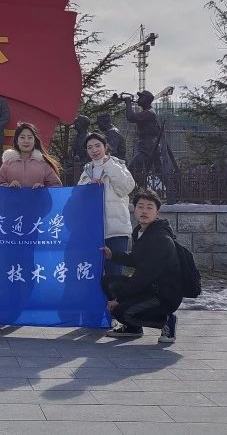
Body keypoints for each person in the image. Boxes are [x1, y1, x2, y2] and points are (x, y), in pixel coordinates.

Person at [100, 189, 182, 343]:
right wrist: (112, 256)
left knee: (120, 310)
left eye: (149, 207)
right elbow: (136, 260)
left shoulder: (160, 238)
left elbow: (145, 275)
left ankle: (166, 320)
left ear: (157, 213)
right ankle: (133, 328)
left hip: (163, 294)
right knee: (108, 282)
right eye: (140, 207)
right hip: (149, 287)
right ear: (135, 211)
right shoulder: (141, 232)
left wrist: (119, 299)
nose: (144, 211)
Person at [78, 132, 135, 276]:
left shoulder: (118, 165)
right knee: (93, 274)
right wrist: (88, 188)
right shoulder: (86, 172)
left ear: (105, 147)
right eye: (90, 147)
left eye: (97, 146)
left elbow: (126, 188)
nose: (94, 150)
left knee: (114, 273)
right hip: (93, 231)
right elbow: (78, 200)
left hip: (116, 231)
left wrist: (108, 164)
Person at [0, 122, 61, 188]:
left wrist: (42, 188)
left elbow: (56, 185)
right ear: (17, 141)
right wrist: (9, 186)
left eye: (30, 137)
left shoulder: (43, 163)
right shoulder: (8, 163)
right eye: (22, 137)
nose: (26, 141)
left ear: (35, 141)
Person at [124, 91, 161, 185]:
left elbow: (131, 117)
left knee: (133, 168)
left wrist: (128, 103)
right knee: (158, 171)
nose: (138, 99)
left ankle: (138, 187)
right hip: (148, 146)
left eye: (141, 97)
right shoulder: (148, 112)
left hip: (148, 147)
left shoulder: (148, 113)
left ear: (146, 100)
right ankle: (141, 187)